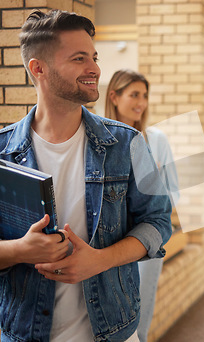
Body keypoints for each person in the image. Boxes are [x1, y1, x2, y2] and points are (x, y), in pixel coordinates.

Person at [0, 10, 171, 342]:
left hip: (114, 331)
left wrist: (100, 260)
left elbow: (159, 221)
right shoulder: (2, 153)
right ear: (38, 69)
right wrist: (21, 250)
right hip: (22, 333)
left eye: (93, 57)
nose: (94, 68)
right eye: (79, 59)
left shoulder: (129, 143)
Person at [105, 69, 178, 342]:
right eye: (134, 94)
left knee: (139, 323)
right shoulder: (98, 140)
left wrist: (154, 189)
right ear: (114, 96)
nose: (141, 102)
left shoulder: (156, 140)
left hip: (143, 242)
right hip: (107, 242)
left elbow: (173, 193)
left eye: (145, 96)